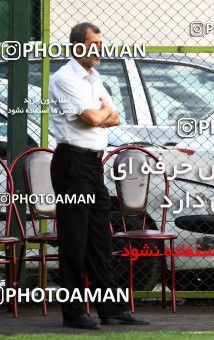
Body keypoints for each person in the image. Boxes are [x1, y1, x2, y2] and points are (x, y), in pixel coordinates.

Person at [49, 22, 148, 329]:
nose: (99, 49)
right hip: (71, 164)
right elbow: (93, 117)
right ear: (78, 46)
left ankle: (111, 309)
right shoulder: (64, 78)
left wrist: (102, 116)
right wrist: (102, 115)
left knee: (99, 239)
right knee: (75, 241)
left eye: (101, 43)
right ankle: (74, 312)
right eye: (94, 44)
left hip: (93, 165)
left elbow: (115, 117)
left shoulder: (94, 77)